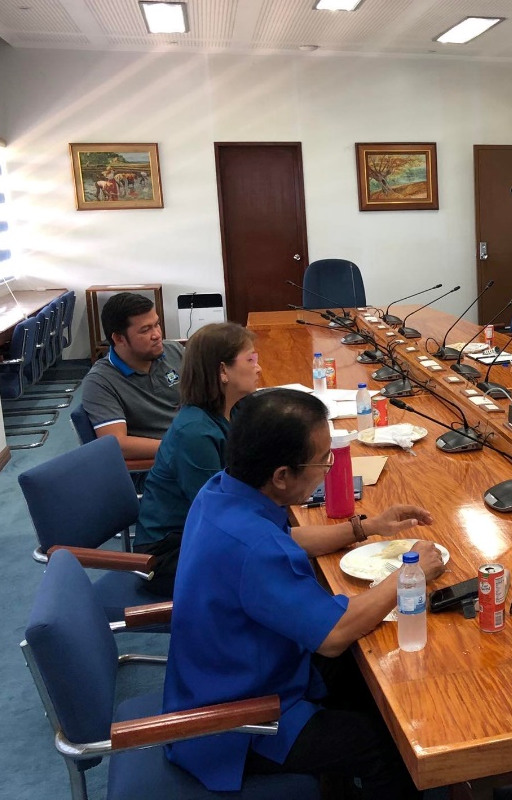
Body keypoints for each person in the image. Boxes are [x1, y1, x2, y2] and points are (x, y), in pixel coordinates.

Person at [163, 388, 446, 795]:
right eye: (322, 460)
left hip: (234, 671)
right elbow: (333, 635)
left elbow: (287, 538)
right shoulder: (255, 550)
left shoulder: (223, 493)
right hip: (238, 720)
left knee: (370, 679)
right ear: (282, 476)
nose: (329, 468)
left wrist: (365, 527)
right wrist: (411, 573)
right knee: (385, 744)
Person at [134, 322, 261, 596]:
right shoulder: (195, 433)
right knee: (277, 565)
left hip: (206, 533)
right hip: (171, 552)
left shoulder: (235, 408)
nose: (258, 368)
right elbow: (219, 515)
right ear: (223, 371)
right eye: (250, 360)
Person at [80, 292, 183, 462]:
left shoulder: (174, 351)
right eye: (145, 330)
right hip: (165, 464)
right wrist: (184, 447)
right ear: (119, 339)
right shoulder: (100, 381)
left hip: (196, 443)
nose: (157, 334)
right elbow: (118, 444)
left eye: (156, 324)